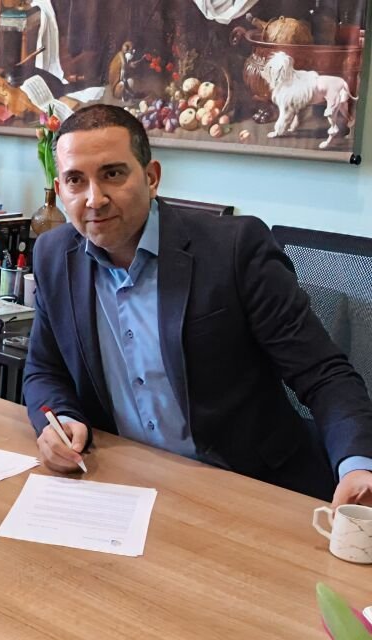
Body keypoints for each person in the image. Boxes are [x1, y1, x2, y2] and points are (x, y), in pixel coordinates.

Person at [23, 104, 372, 505]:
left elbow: (323, 373)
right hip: (125, 483)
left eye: (113, 174)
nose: (94, 199)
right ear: (59, 188)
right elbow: (44, 369)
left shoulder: (235, 250)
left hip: (248, 487)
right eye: (75, 181)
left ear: (151, 177)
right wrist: (61, 420)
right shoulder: (53, 255)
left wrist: (358, 467)